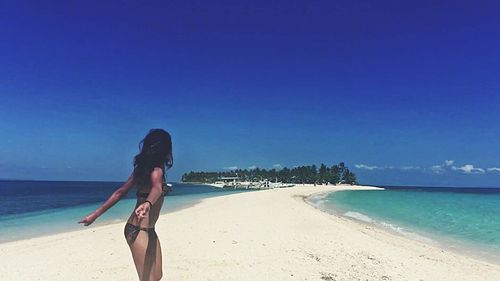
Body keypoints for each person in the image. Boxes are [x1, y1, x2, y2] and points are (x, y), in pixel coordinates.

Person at [78, 128, 173, 281]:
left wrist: (95, 214)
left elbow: (121, 192)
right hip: (137, 229)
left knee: (157, 276)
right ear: (165, 149)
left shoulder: (144, 171)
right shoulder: (155, 172)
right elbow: (152, 188)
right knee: (148, 279)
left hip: (149, 230)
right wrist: (148, 203)